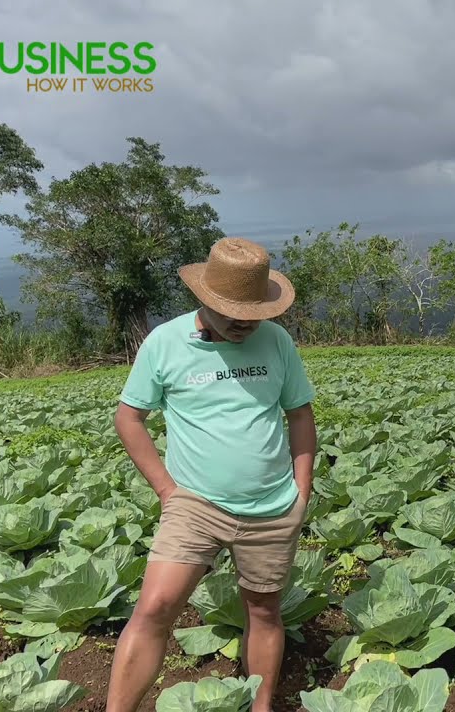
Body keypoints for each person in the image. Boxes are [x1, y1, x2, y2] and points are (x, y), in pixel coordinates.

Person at [105, 237, 317, 712]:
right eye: (231, 311)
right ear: (205, 299)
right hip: (195, 505)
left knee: (263, 611)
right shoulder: (165, 342)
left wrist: (301, 491)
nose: (243, 321)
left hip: (272, 507)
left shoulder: (277, 341)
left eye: (252, 312)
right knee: (156, 607)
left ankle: (260, 707)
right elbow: (128, 417)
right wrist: (167, 490)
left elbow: (300, 415)